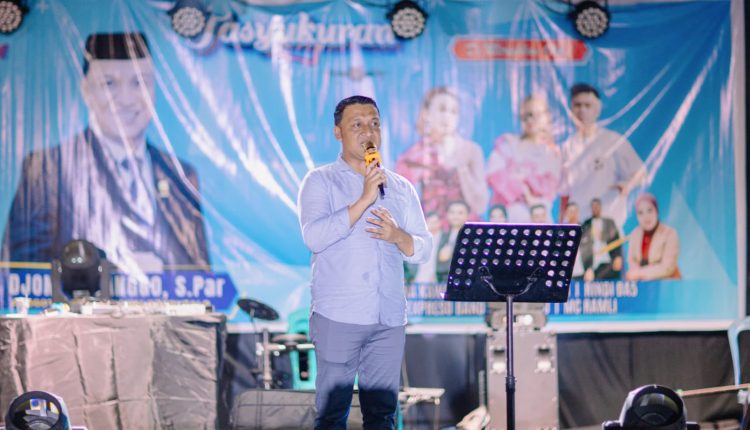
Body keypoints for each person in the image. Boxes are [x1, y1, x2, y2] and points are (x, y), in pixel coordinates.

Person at [1, 32, 209, 273]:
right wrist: (113, 272)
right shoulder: (49, 168)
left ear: (155, 89)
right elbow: (19, 273)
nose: (127, 99)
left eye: (139, 83)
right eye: (109, 84)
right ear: (86, 90)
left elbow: (201, 276)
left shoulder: (180, 175)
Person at [297, 95, 432, 429]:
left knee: (383, 415)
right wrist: (364, 199)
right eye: (357, 124)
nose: (368, 132)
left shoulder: (400, 187)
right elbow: (314, 237)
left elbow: (424, 248)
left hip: (388, 318)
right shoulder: (320, 180)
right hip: (339, 316)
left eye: (374, 124)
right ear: (338, 133)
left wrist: (398, 236)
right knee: (332, 415)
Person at [395, 87, 488, 222]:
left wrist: (462, 169)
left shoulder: (471, 151)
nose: (447, 117)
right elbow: (400, 203)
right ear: (427, 113)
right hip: (430, 228)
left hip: (466, 227)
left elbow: (481, 206)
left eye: (453, 112)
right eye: (442, 109)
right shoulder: (413, 156)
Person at [561, 83, 646, 228]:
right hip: (578, 226)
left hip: (609, 224)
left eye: (587, 105)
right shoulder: (567, 147)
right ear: (571, 109)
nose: (582, 110)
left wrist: (628, 185)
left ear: (597, 109)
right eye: (577, 105)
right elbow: (564, 193)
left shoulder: (612, 141)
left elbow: (641, 172)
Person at [486, 94, 562, 222]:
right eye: (527, 116)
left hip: (539, 218)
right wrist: (524, 189)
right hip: (507, 217)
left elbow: (549, 188)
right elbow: (495, 176)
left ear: (547, 116)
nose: (531, 120)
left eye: (537, 115)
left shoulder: (552, 152)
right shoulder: (507, 143)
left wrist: (525, 185)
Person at [626, 193, 680, 280]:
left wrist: (639, 273)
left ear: (656, 211)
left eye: (649, 210)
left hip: (667, 284)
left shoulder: (669, 233)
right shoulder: (635, 234)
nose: (646, 217)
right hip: (643, 284)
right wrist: (635, 272)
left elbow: (667, 268)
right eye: (640, 213)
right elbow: (631, 260)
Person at [580, 198, 623, 280]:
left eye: (597, 206)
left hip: (609, 260)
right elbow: (583, 247)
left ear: (600, 207)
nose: (595, 209)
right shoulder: (586, 224)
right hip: (593, 263)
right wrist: (587, 268)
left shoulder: (609, 222)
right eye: (593, 207)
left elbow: (616, 240)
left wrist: (618, 256)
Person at [436, 200, 470, 282]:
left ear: (467, 215)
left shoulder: (472, 237)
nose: (456, 216)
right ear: (447, 215)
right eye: (452, 212)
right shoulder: (441, 237)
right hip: (444, 281)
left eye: (460, 213)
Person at [562, 202, 585, 280]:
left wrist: (589, 268)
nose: (573, 214)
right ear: (566, 214)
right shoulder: (562, 231)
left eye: (575, 211)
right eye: (571, 211)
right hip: (565, 272)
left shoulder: (586, 229)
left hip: (582, 272)